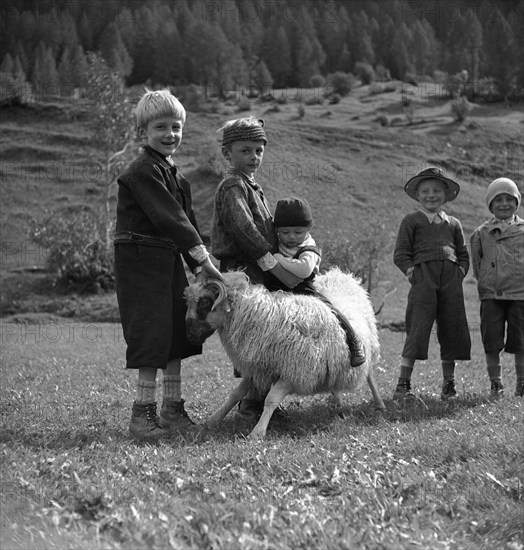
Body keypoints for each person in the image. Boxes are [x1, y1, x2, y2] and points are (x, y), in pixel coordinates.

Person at [114, 89, 224, 440]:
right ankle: (142, 416)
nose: (169, 134)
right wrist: (202, 260)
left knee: (177, 329)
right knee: (152, 330)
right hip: (141, 259)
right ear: (143, 133)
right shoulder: (143, 170)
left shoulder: (176, 175)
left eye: (176, 127)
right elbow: (170, 218)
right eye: (160, 126)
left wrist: (198, 267)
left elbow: (187, 222)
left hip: (167, 258)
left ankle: (172, 409)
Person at [212, 117, 303, 421]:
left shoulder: (251, 185)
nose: (254, 157)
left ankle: (260, 396)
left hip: (258, 266)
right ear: (228, 153)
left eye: (258, 151)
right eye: (245, 151)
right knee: (250, 335)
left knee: (265, 334)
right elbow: (243, 227)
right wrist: (269, 259)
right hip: (242, 270)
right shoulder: (232, 186)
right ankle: (251, 402)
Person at [393, 167, 471, 401]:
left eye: (437, 190)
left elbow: (463, 254)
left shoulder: (454, 224)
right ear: (417, 194)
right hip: (423, 281)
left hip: (450, 281)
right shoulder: (411, 221)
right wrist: (412, 273)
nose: (431, 195)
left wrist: (459, 272)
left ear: (446, 194)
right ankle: (403, 385)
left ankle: (449, 385)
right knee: (417, 328)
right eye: (425, 191)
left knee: (452, 328)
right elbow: (400, 254)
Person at [265, 196, 367, 368]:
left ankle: (354, 343)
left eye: (298, 232)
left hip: (305, 289)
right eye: (285, 232)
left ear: (308, 229)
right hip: (278, 289)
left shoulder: (309, 248)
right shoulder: (280, 244)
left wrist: (278, 260)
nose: (291, 237)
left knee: (330, 310)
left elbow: (303, 269)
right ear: (277, 230)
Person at [470, 177, 524, 398]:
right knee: (491, 342)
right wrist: (486, 281)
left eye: (509, 199)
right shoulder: (480, 233)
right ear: (490, 205)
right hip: (491, 295)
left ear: (517, 203)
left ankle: (521, 384)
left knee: (521, 342)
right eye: (498, 200)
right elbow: (476, 262)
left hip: (520, 293)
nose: (504, 204)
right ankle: (496, 384)